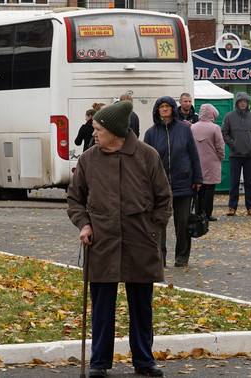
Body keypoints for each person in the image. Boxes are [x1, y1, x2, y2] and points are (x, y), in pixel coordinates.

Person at [67, 100, 172, 378]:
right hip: (101, 242)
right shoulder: (89, 158)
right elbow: (74, 200)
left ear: (115, 131)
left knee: (141, 306)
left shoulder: (147, 155)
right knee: (102, 307)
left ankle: (144, 361)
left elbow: (164, 199)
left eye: (98, 129)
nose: (94, 134)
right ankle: (99, 363)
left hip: (140, 241)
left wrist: (153, 229)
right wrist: (84, 224)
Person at [144, 96, 202, 268]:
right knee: (158, 223)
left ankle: (182, 257)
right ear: (157, 110)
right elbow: (144, 161)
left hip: (183, 182)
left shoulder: (184, 130)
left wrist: (198, 178)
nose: (164, 109)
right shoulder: (151, 133)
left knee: (183, 223)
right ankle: (159, 258)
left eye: (167, 106)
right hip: (159, 186)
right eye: (161, 107)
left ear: (172, 109)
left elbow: (193, 155)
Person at [221, 92, 251, 216]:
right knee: (234, 183)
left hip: (249, 155)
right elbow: (224, 133)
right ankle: (232, 207)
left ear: (248, 103)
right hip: (235, 155)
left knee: (249, 182)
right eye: (241, 101)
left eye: (245, 101)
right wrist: (232, 144)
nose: (243, 103)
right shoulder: (228, 116)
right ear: (237, 103)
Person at [191, 103, 225, 222]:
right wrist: (220, 158)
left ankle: (198, 212)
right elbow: (220, 146)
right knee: (210, 190)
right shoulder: (215, 128)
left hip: (197, 162)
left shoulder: (193, 127)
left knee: (199, 189)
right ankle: (207, 213)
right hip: (212, 162)